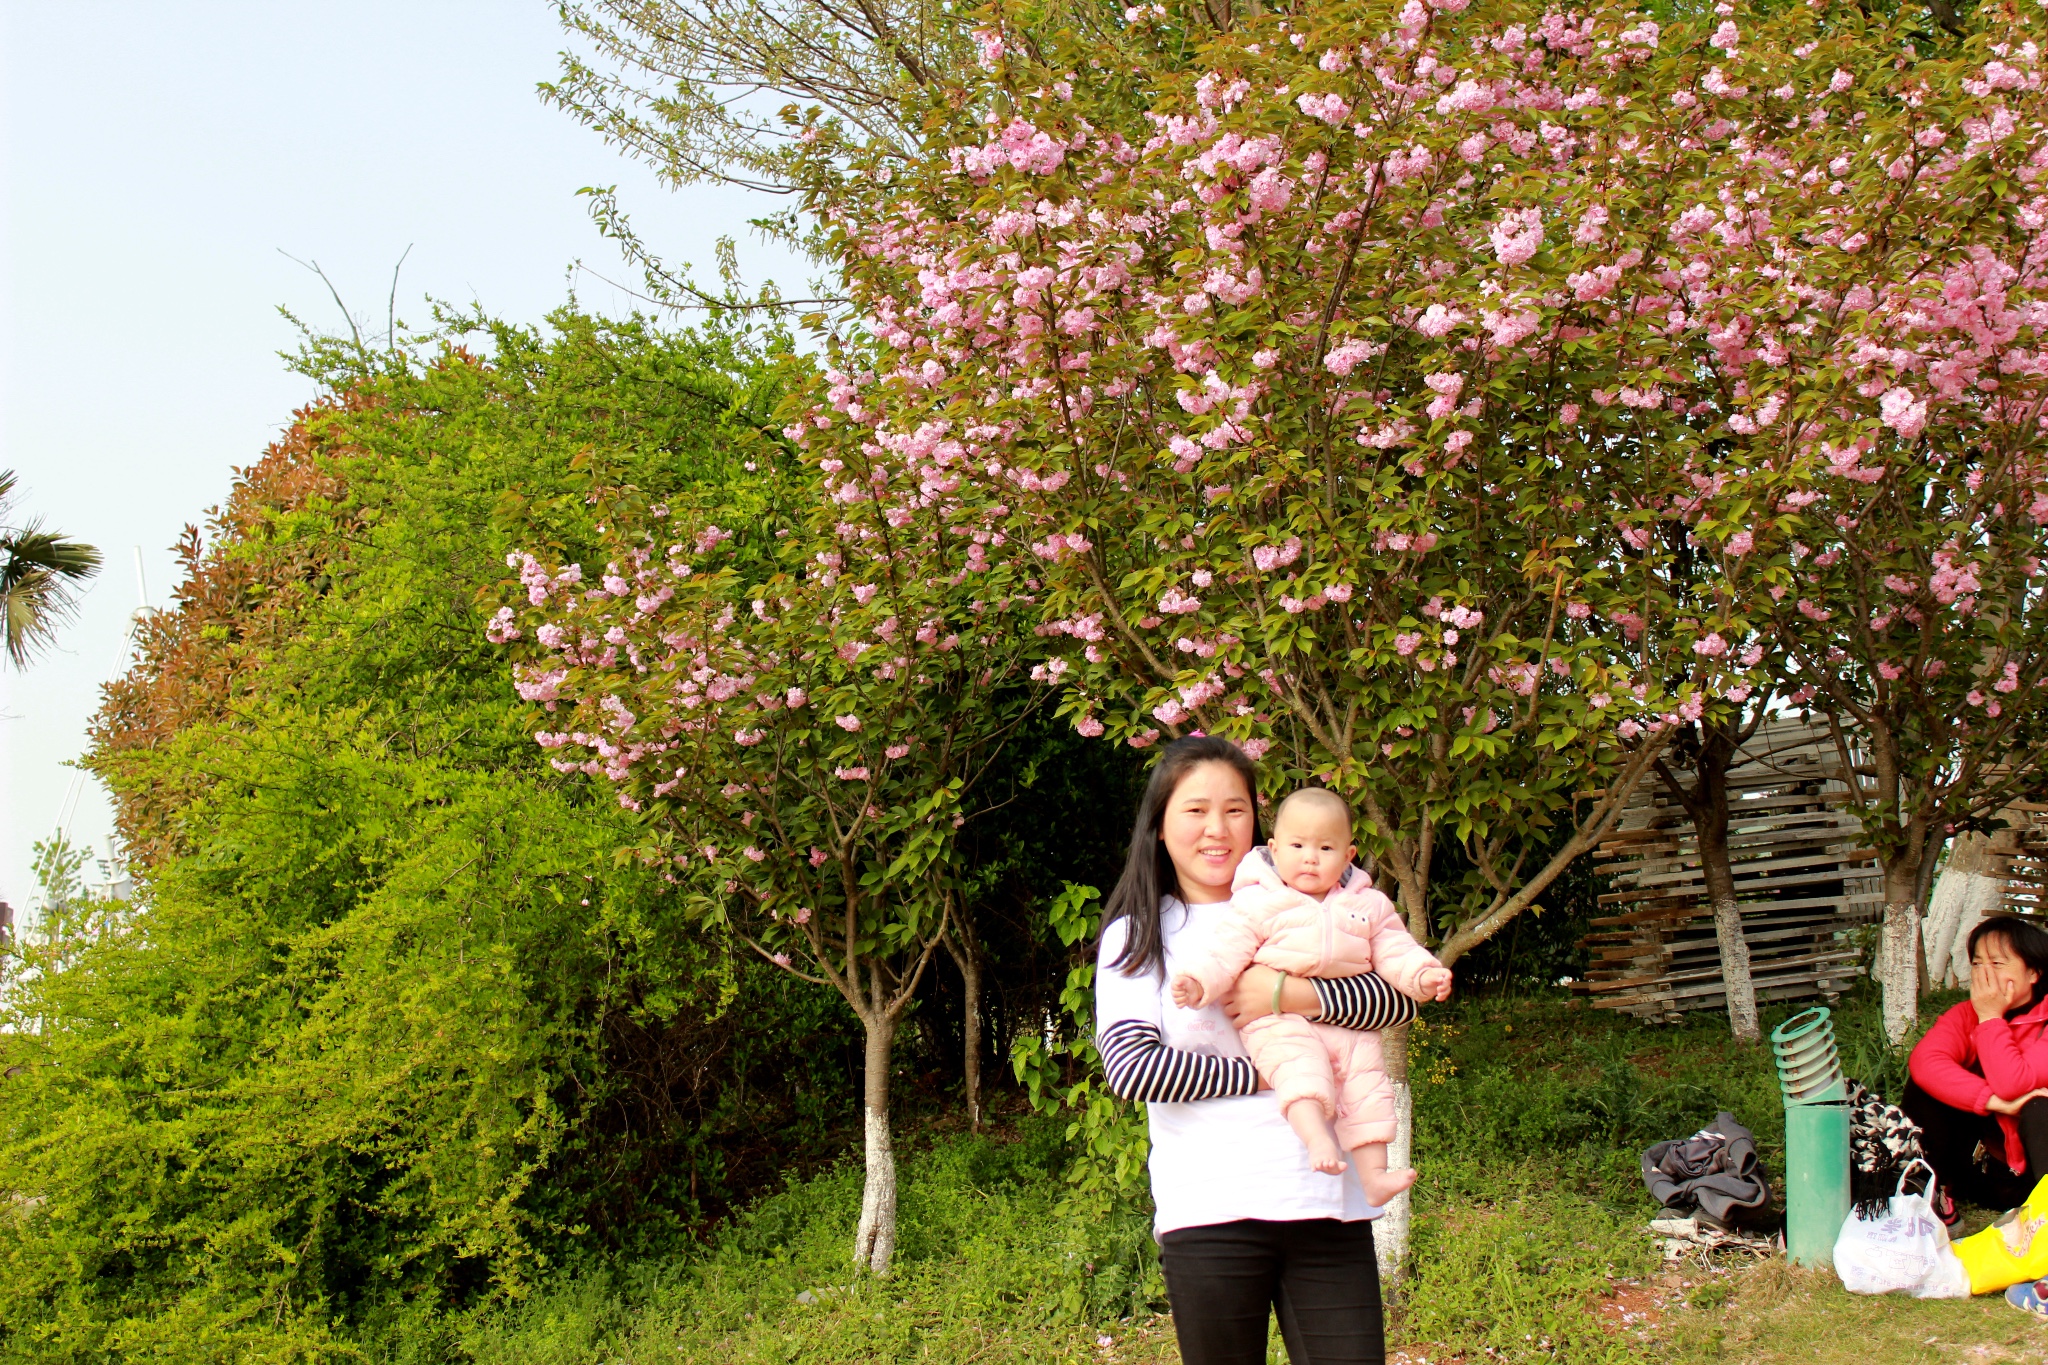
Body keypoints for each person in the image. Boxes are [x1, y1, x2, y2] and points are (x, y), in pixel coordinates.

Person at [1095, 736, 1419, 1365]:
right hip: (1212, 1209)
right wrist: (1284, 1071)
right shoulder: (1140, 934)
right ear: (1160, 826)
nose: (1217, 829)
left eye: (1235, 809)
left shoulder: (1326, 905)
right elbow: (1135, 1070)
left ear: (1262, 826)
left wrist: (1288, 995)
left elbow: (1397, 1002)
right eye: (1195, 811)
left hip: (1330, 1206)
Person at [1168, 787, 1452, 1203]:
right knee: (1299, 1067)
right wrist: (1198, 981)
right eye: (1298, 845)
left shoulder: (1368, 904)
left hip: (1347, 1025)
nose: (1310, 857)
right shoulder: (1260, 902)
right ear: (1274, 848)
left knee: (1367, 1084)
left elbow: (1395, 950)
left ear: (1349, 855)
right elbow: (1225, 950)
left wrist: (1423, 974)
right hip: (1277, 1023)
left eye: (1326, 847)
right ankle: (1317, 1138)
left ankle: (1374, 1177)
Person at [1905, 914, 2048, 1231]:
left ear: (2034, 972)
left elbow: (2014, 1083)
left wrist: (1991, 1017)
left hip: (2034, 1174)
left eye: (1998, 964)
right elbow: (1925, 1062)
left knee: (2040, 1108)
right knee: (1926, 1087)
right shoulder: (1965, 1014)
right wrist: (1992, 1102)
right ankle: (1935, 1196)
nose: (1985, 975)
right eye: (1978, 963)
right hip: (1985, 1171)